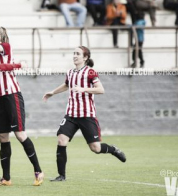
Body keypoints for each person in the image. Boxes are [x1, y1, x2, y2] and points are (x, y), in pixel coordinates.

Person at [43, 46, 126, 182]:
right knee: (61, 139)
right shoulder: (70, 72)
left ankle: (113, 149)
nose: (75, 56)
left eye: (78, 54)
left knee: (95, 148)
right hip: (71, 115)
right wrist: (52, 92)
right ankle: (61, 176)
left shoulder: (90, 72)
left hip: (87, 115)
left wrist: (84, 89)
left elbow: (101, 89)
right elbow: (66, 85)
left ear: (85, 58)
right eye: (74, 53)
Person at [0, 25, 44, 187]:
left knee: (20, 134)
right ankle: (6, 178)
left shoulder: (5, 47)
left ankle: (38, 170)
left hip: (11, 95)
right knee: (3, 137)